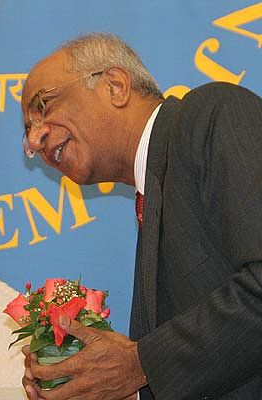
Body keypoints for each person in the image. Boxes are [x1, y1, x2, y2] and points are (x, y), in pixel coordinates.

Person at [20, 33, 262, 400]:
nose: (36, 140)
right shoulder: (152, 192)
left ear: (115, 86)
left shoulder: (212, 114)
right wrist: (101, 380)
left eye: (44, 107)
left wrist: (140, 364)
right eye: (27, 130)